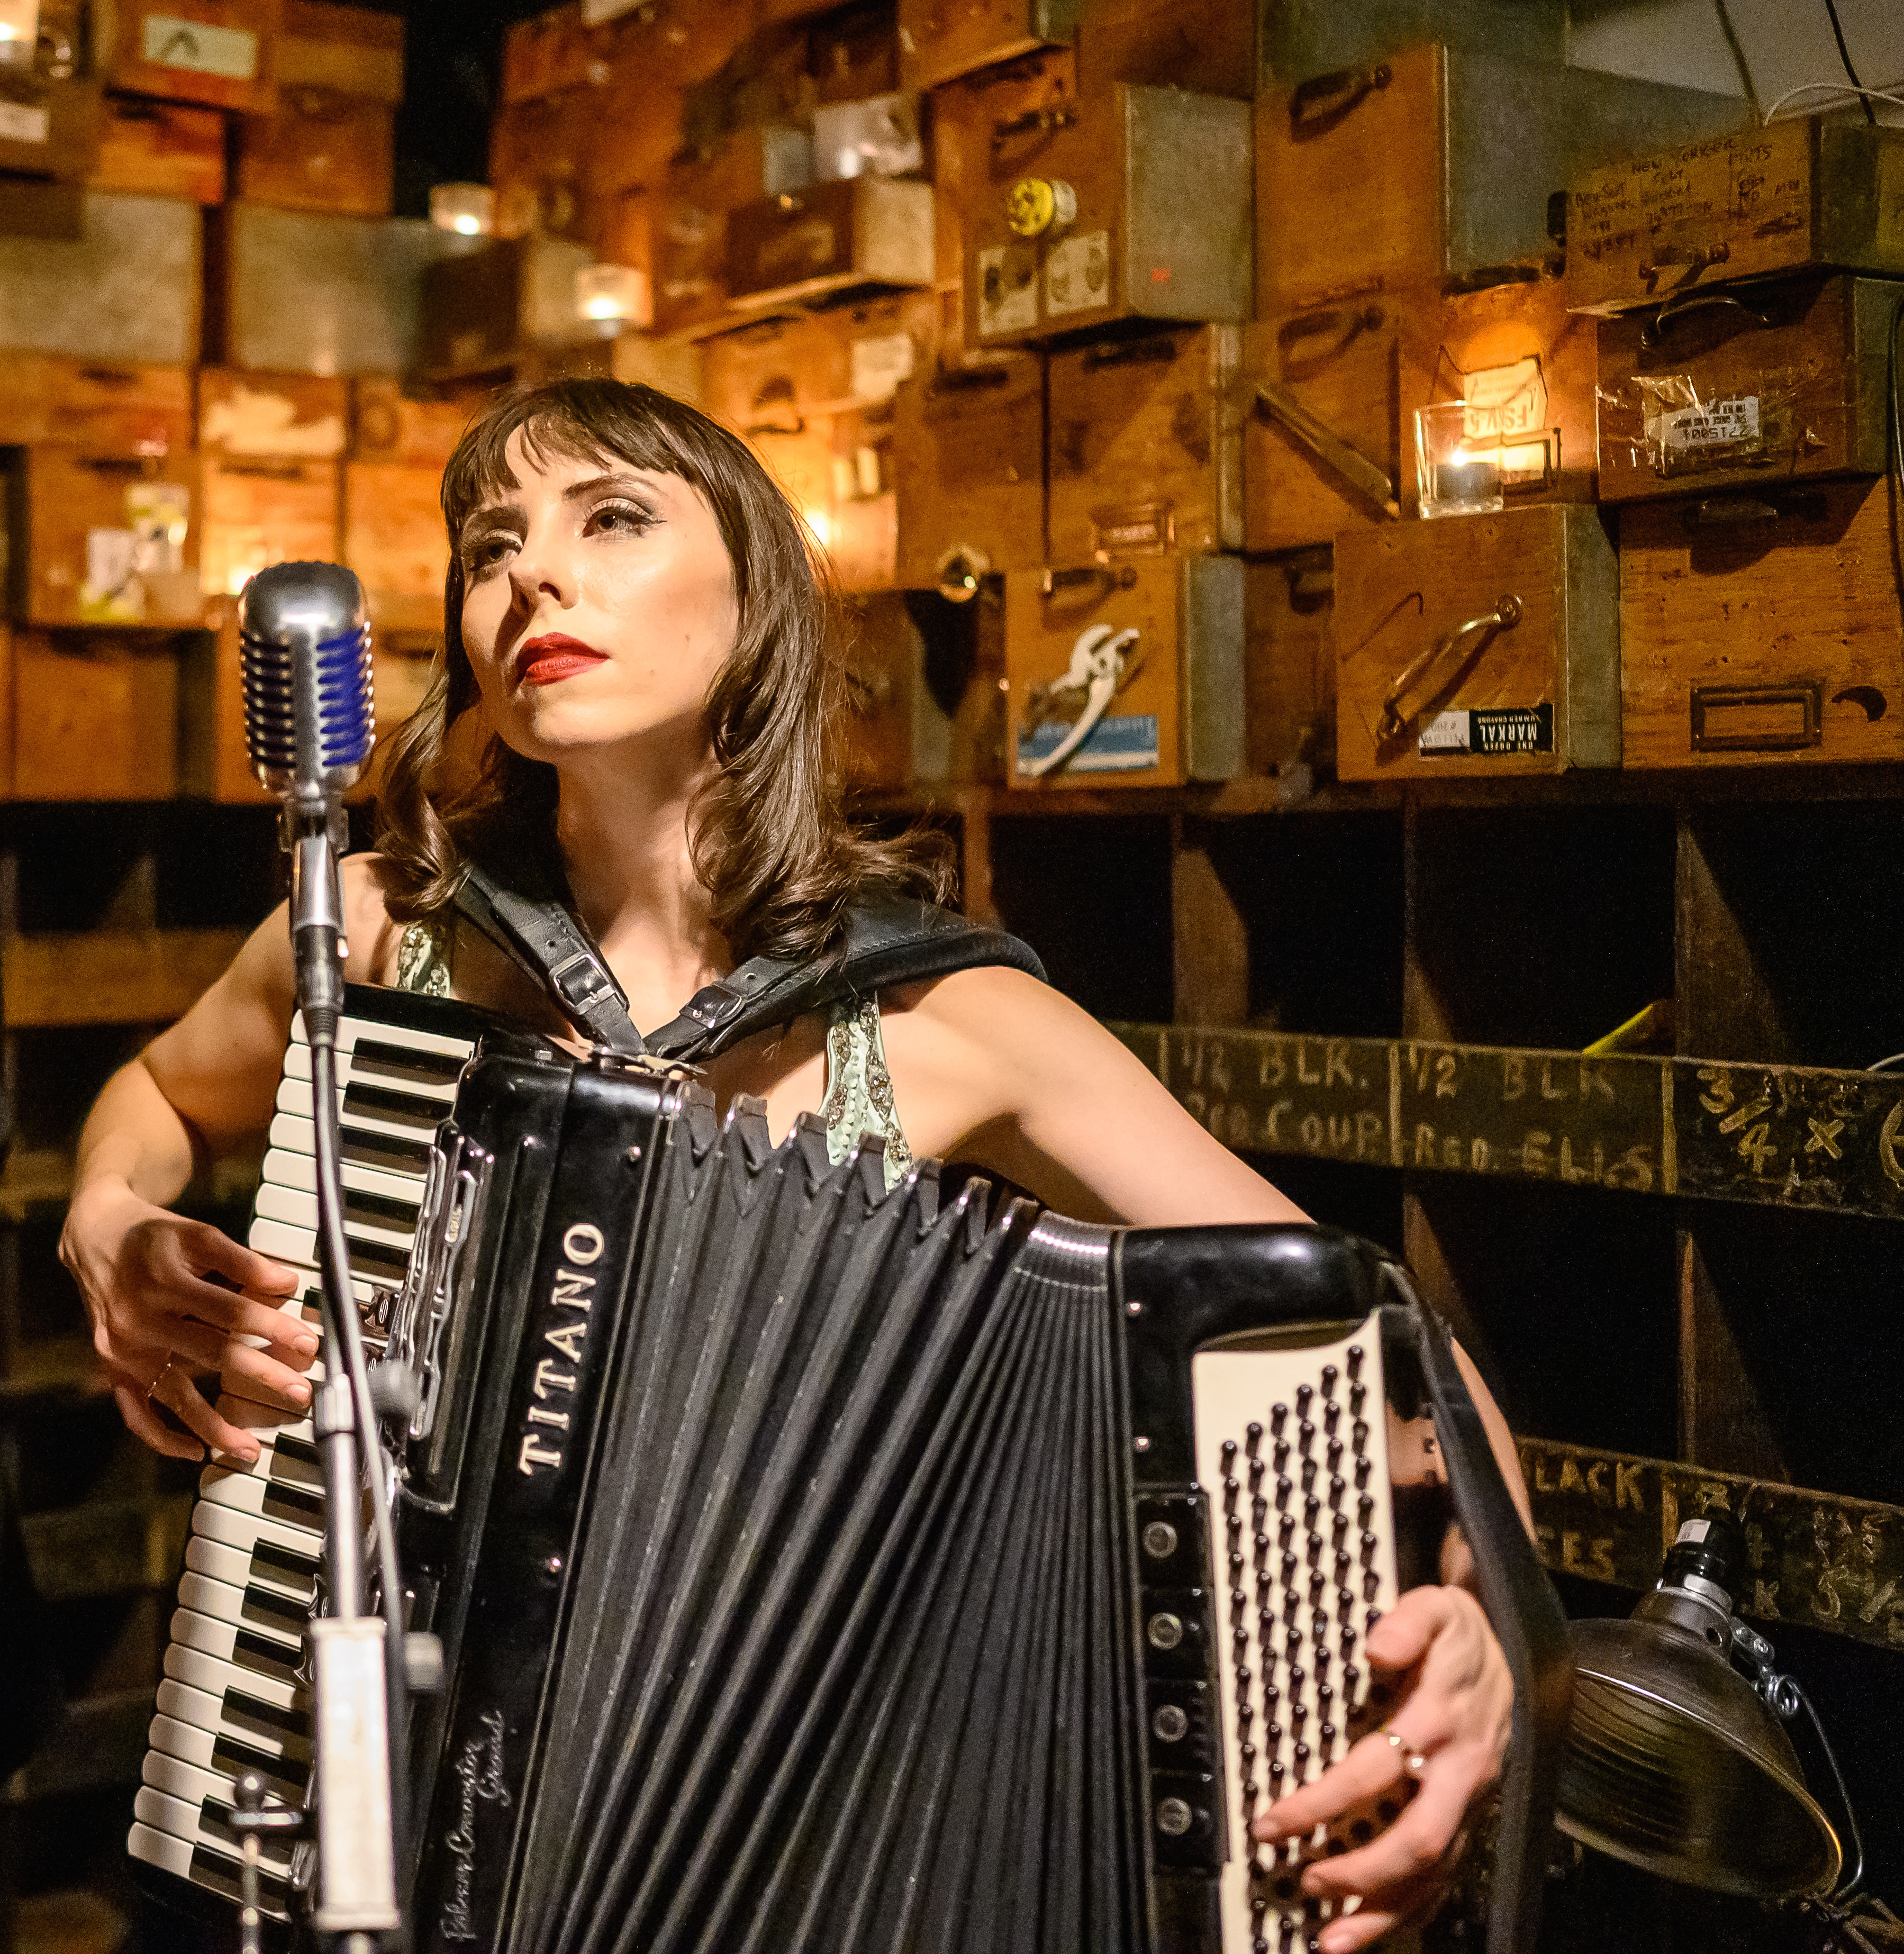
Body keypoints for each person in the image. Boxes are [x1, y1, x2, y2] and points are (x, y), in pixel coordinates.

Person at [62, 378, 1526, 1950]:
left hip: (783, 1870)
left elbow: (1384, 1340)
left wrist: (1503, 1635)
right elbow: (156, 1093)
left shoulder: (949, 1016)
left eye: (609, 518)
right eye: (491, 546)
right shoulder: (374, 933)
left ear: (758, 600)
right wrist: (110, 1227)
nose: (532, 575)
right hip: (353, 1802)